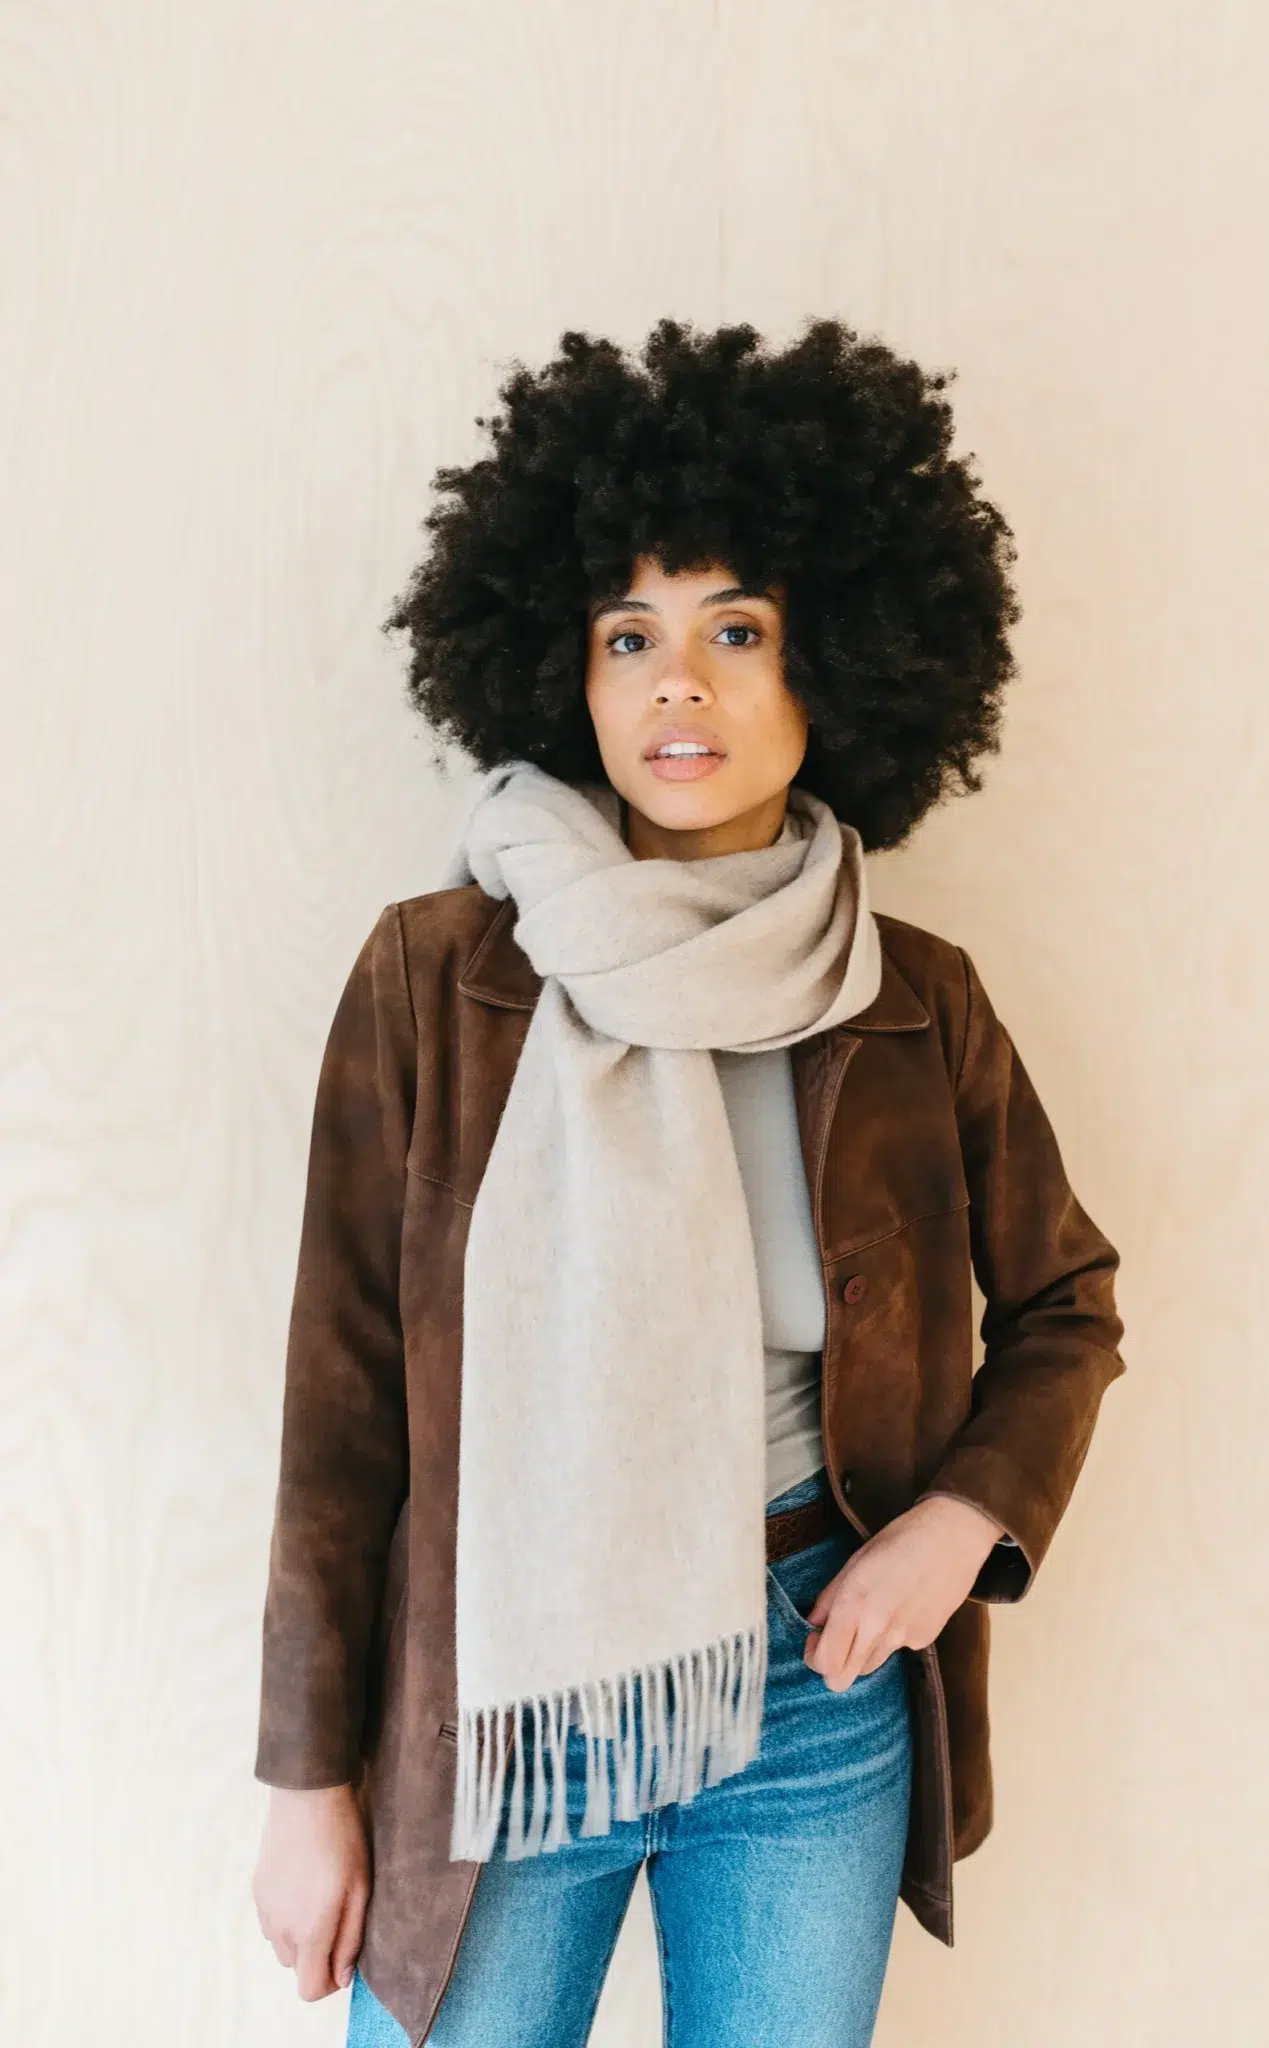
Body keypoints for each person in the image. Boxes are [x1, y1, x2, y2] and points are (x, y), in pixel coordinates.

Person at [250, 316, 1126, 2048]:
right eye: (626, 636)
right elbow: (339, 1407)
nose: (678, 684)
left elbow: (1063, 1305)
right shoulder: (439, 978)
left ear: (834, 668)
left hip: (816, 1684)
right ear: (560, 674)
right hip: (504, 1697)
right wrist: (303, 1781)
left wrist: (959, 1524)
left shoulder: (912, 998)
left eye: (737, 630)